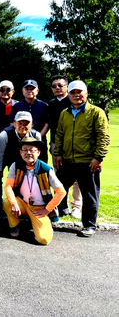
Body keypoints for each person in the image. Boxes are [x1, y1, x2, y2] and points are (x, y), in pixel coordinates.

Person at [54, 80, 110, 237]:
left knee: (90, 194)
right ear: (69, 95)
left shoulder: (96, 112)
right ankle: (59, 212)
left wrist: (98, 158)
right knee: (59, 188)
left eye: (79, 92)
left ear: (86, 93)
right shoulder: (64, 113)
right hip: (68, 161)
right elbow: (59, 135)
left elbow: (103, 137)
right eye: (72, 92)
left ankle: (89, 225)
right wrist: (58, 154)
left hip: (88, 162)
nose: (76, 95)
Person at [3, 138, 65, 245]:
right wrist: (14, 203)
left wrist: (47, 210)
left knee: (44, 240)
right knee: (7, 202)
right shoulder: (16, 165)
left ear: (38, 152)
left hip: (39, 208)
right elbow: (8, 186)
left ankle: (43, 223)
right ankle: (15, 226)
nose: (28, 153)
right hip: (22, 203)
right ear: (20, 152)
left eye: (32, 150)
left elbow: (61, 192)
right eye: (25, 150)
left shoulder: (46, 169)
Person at [0, 111, 43, 217]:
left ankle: (26, 203)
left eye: (26, 124)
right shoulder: (4, 134)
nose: (23, 126)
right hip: (6, 155)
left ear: (31, 124)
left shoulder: (36, 135)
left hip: (24, 157)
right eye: (20, 123)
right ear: (14, 123)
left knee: (29, 178)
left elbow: (37, 155)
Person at [48, 75, 82, 219]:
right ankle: (62, 205)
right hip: (57, 143)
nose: (57, 88)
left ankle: (77, 206)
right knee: (59, 175)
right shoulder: (50, 104)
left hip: (75, 143)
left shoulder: (74, 101)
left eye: (60, 85)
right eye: (54, 86)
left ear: (67, 87)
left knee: (77, 177)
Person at [10, 79, 50, 146]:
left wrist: (37, 137)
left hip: (40, 141)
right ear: (23, 91)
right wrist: (20, 135)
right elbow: (12, 123)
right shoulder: (17, 106)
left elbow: (46, 124)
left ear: (37, 91)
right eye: (27, 89)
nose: (29, 91)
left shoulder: (44, 106)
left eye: (32, 89)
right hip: (20, 140)